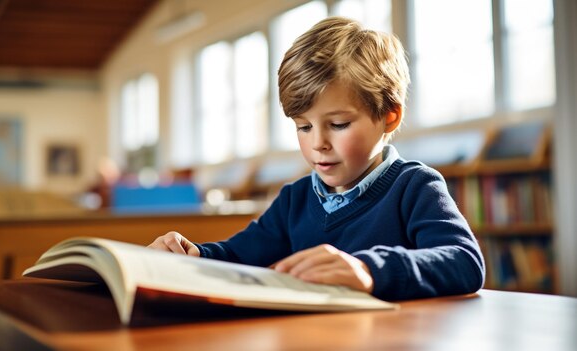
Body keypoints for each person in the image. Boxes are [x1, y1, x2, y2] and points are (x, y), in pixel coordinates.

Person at [149, 17, 485, 300]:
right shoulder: (294, 199)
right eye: (303, 126)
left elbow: (465, 262)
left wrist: (370, 270)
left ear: (389, 117)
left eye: (338, 124)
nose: (318, 143)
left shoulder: (414, 186)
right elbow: (237, 255)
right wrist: (192, 253)